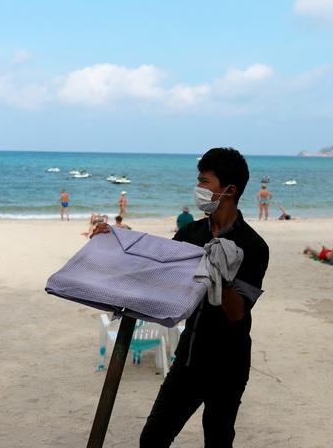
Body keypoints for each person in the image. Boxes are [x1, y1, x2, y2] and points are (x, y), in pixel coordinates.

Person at [92, 147, 269, 447]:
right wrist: (115, 240)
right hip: (189, 357)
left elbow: (237, 313)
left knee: (218, 440)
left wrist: (224, 278)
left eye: (204, 182)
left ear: (229, 190)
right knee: (153, 438)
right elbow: (159, 266)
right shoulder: (191, 233)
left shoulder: (253, 246)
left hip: (229, 364)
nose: (198, 188)